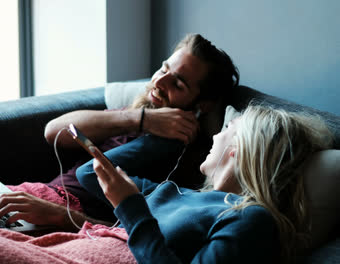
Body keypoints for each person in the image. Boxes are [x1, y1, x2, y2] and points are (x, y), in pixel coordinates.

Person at [0, 33, 241, 226]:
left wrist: (59, 216)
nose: (158, 82)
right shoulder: (134, 115)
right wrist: (139, 119)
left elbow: (141, 229)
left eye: (177, 83)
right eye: (164, 69)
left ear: (203, 104)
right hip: (32, 197)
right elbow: (54, 132)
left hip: (57, 216)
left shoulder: (186, 158)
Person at [77, 105, 333, 263]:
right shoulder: (175, 193)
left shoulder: (250, 219)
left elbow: (135, 221)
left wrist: (130, 208)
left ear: (239, 148)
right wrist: (164, 136)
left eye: (227, 128)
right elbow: (89, 172)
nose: (214, 135)